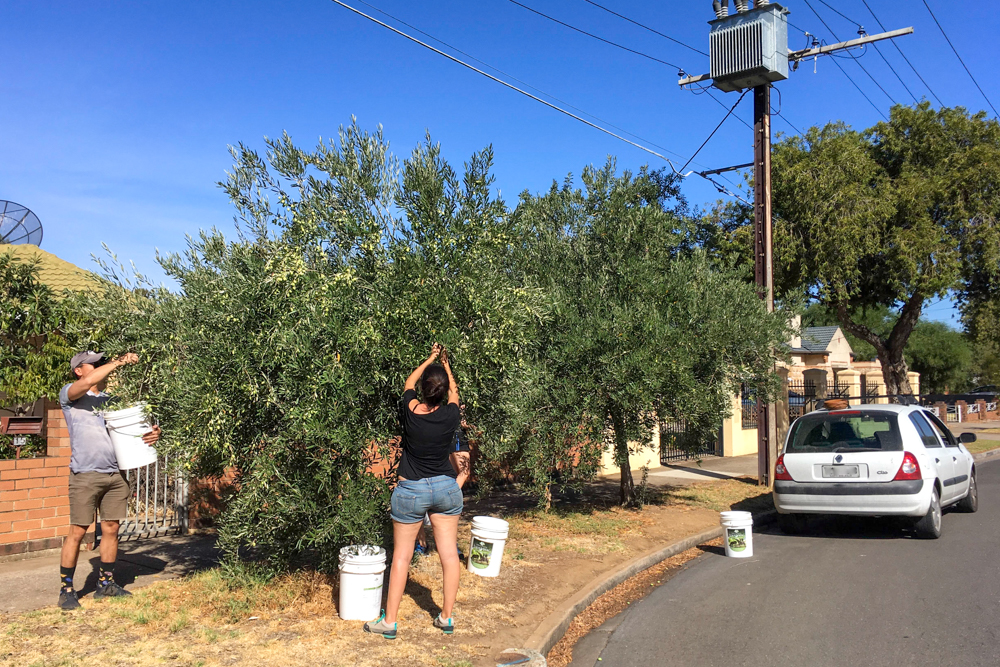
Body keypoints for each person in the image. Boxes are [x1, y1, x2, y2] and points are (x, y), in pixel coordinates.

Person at [364, 344, 462, 640]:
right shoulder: (450, 414)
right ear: (443, 392)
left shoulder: (411, 410)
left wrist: (431, 358)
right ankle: (445, 617)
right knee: (449, 557)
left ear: (423, 389)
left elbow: (408, 382)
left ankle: (390, 623)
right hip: (446, 488)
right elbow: (456, 393)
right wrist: (447, 365)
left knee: (402, 558)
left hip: (411, 490)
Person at [57, 351, 161, 610]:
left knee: (112, 528)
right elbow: (83, 385)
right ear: (79, 370)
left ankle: (106, 584)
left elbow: (133, 429)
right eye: (95, 364)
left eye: (102, 363)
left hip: (115, 474)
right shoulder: (70, 395)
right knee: (78, 531)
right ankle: (67, 589)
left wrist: (151, 433)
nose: (101, 367)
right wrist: (118, 362)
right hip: (85, 474)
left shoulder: (111, 402)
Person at [415, 408, 471, 555]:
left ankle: (447, 543)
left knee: (459, 474)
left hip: (452, 432)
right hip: (436, 432)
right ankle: (422, 544)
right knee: (421, 484)